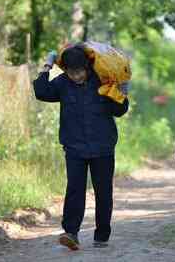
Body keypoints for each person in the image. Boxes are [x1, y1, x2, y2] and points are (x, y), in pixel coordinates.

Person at [33, 46, 129, 250]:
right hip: (74, 147)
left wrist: (121, 92)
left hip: (103, 147)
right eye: (70, 72)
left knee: (103, 192)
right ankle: (71, 233)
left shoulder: (103, 80)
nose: (75, 76)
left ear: (87, 67)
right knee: (75, 190)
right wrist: (47, 65)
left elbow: (120, 111)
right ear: (65, 71)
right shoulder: (63, 83)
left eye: (79, 71)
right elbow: (41, 92)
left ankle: (102, 235)